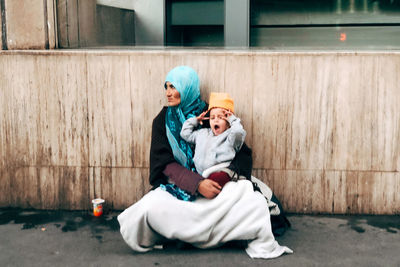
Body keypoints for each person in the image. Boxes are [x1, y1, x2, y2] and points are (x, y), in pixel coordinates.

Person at [117, 66, 292, 259]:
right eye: (166, 87)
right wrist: (197, 184)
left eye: (173, 87)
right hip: (181, 185)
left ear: (187, 89)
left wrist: (223, 176)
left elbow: (241, 151)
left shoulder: (210, 113)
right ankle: (219, 233)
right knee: (148, 209)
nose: (168, 93)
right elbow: (164, 163)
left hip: (218, 182)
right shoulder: (162, 121)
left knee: (255, 204)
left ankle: (198, 234)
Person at [180, 92, 246, 189]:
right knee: (188, 180)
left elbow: (238, 132)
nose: (215, 120)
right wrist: (195, 120)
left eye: (220, 117)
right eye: (212, 117)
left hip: (219, 172)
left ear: (228, 121)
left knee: (221, 177)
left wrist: (232, 119)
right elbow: (185, 134)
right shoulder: (202, 133)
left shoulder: (230, 136)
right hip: (200, 174)